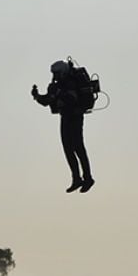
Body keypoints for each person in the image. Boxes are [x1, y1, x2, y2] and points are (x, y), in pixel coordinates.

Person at [32, 60, 95, 193]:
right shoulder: (57, 86)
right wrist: (37, 96)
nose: (55, 76)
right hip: (65, 117)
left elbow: (71, 99)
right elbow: (48, 100)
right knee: (68, 149)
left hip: (75, 117)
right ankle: (77, 178)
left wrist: (58, 95)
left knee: (78, 148)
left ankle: (87, 178)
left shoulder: (70, 83)